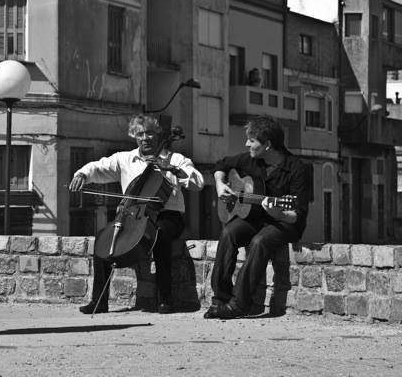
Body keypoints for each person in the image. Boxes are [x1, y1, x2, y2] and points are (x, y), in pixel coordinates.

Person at [69, 114, 204, 314]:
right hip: (134, 215)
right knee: (103, 238)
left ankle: (165, 299)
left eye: (149, 133)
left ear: (158, 134)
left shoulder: (176, 159)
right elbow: (98, 167)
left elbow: (198, 183)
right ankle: (99, 301)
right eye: (140, 134)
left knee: (160, 234)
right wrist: (82, 174)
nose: (145, 138)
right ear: (134, 135)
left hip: (169, 215)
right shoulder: (125, 159)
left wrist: (173, 170)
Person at [204, 115, 312, 319]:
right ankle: (220, 298)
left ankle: (238, 305)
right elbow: (220, 165)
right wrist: (220, 185)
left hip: (283, 222)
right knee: (228, 233)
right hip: (255, 218)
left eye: (252, 140)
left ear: (268, 145)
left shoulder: (297, 169)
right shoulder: (249, 160)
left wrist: (278, 212)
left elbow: (297, 215)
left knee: (260, 241)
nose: (247, 144)